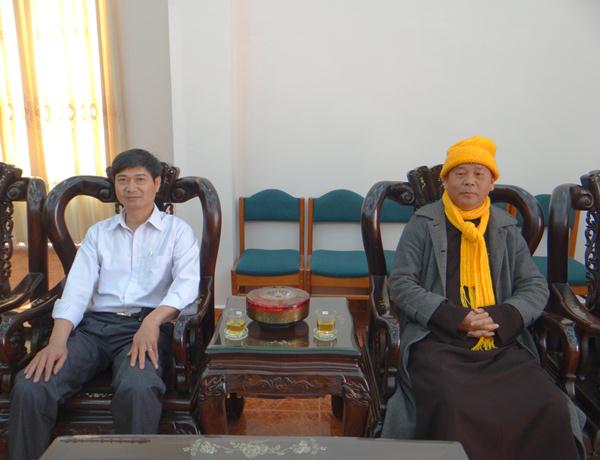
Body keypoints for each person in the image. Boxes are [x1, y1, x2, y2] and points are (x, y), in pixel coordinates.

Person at [381, 136, 585, 460]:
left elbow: (534, 285)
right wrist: (455, 318)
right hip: (439, 341)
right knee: (453, 406)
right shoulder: (423, 223)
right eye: (460, 173)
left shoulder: (505, 227)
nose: (469, 181)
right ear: (445, 180)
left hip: (499, 342)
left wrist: (500, 317)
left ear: (491, 184)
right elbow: (402, 283)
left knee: (550, 405)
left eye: (479, 174)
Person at [8, 149, 200, 460]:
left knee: (138, 389)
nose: (131, 187)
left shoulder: (178, 232)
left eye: (140, 179)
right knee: (32, 385)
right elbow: (76, 290)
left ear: (156, 183)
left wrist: (152, 321)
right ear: (115, 185)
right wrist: (57, 342)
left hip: (145, 328)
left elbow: (187, 286)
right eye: (123, 180)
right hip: (94, 328)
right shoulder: (98, 233)